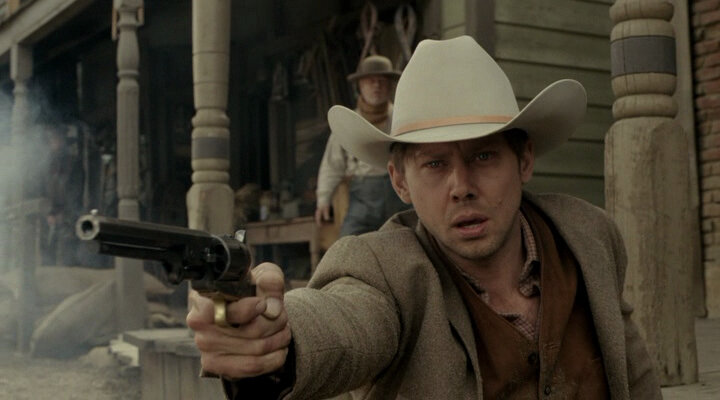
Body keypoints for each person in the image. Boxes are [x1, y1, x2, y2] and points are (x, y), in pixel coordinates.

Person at [187, 36, 662, 399]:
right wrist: (275, 339)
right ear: (399, 181)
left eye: (483, 156)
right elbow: (344, 320)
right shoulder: (385, 273)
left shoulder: (588, 236)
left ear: (524, 160)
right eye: (434, 164)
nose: (461, 186)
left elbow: (634, 373)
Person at [315, 54, 408, 236]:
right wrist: (323, 200)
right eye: (370, 81)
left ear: (390, 86)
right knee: (348, 244)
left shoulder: (401, 118)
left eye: (382, 81)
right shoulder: (348, 122)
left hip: (398, 193)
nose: (376, 86)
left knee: (407, 241)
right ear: (360, 86)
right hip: (362, 198)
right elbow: (332, 164)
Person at [42, 123, 84, 266]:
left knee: (67, 250)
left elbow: (76, 193)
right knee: (47, 254)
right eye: (52, 139)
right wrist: (49, 212)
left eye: (57, 139)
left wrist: (65, 214)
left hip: (69, 214)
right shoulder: (47, 164)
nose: (54, 142)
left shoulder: (74, 163)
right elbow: (43, 190)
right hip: (50, 214)